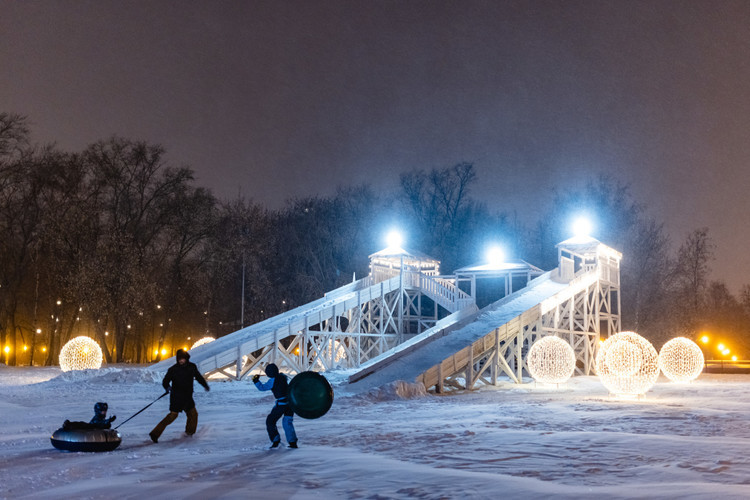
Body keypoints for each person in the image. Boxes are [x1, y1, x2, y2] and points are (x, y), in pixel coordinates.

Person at [149, 349, 209, 443]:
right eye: (179, 359)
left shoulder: (192, 367)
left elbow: (198, 377)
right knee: (172, 416)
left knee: (193, 414)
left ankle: (189, 433)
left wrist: (205, 385)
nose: (181, 360)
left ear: (186, 358)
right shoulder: (173, 369)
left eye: (183, 359)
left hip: (188, 397)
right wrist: (168, 387)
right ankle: (155, 434)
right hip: (176, 397)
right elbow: (165, 381)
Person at [253, 363, 297, 449]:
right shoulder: (283, 377)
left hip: (281, 404)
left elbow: (262, 388)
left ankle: (275, 440)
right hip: (290, 404)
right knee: (287, 422)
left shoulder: (272, 380)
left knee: (270, 421)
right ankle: (292, 442)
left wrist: (256, 381)